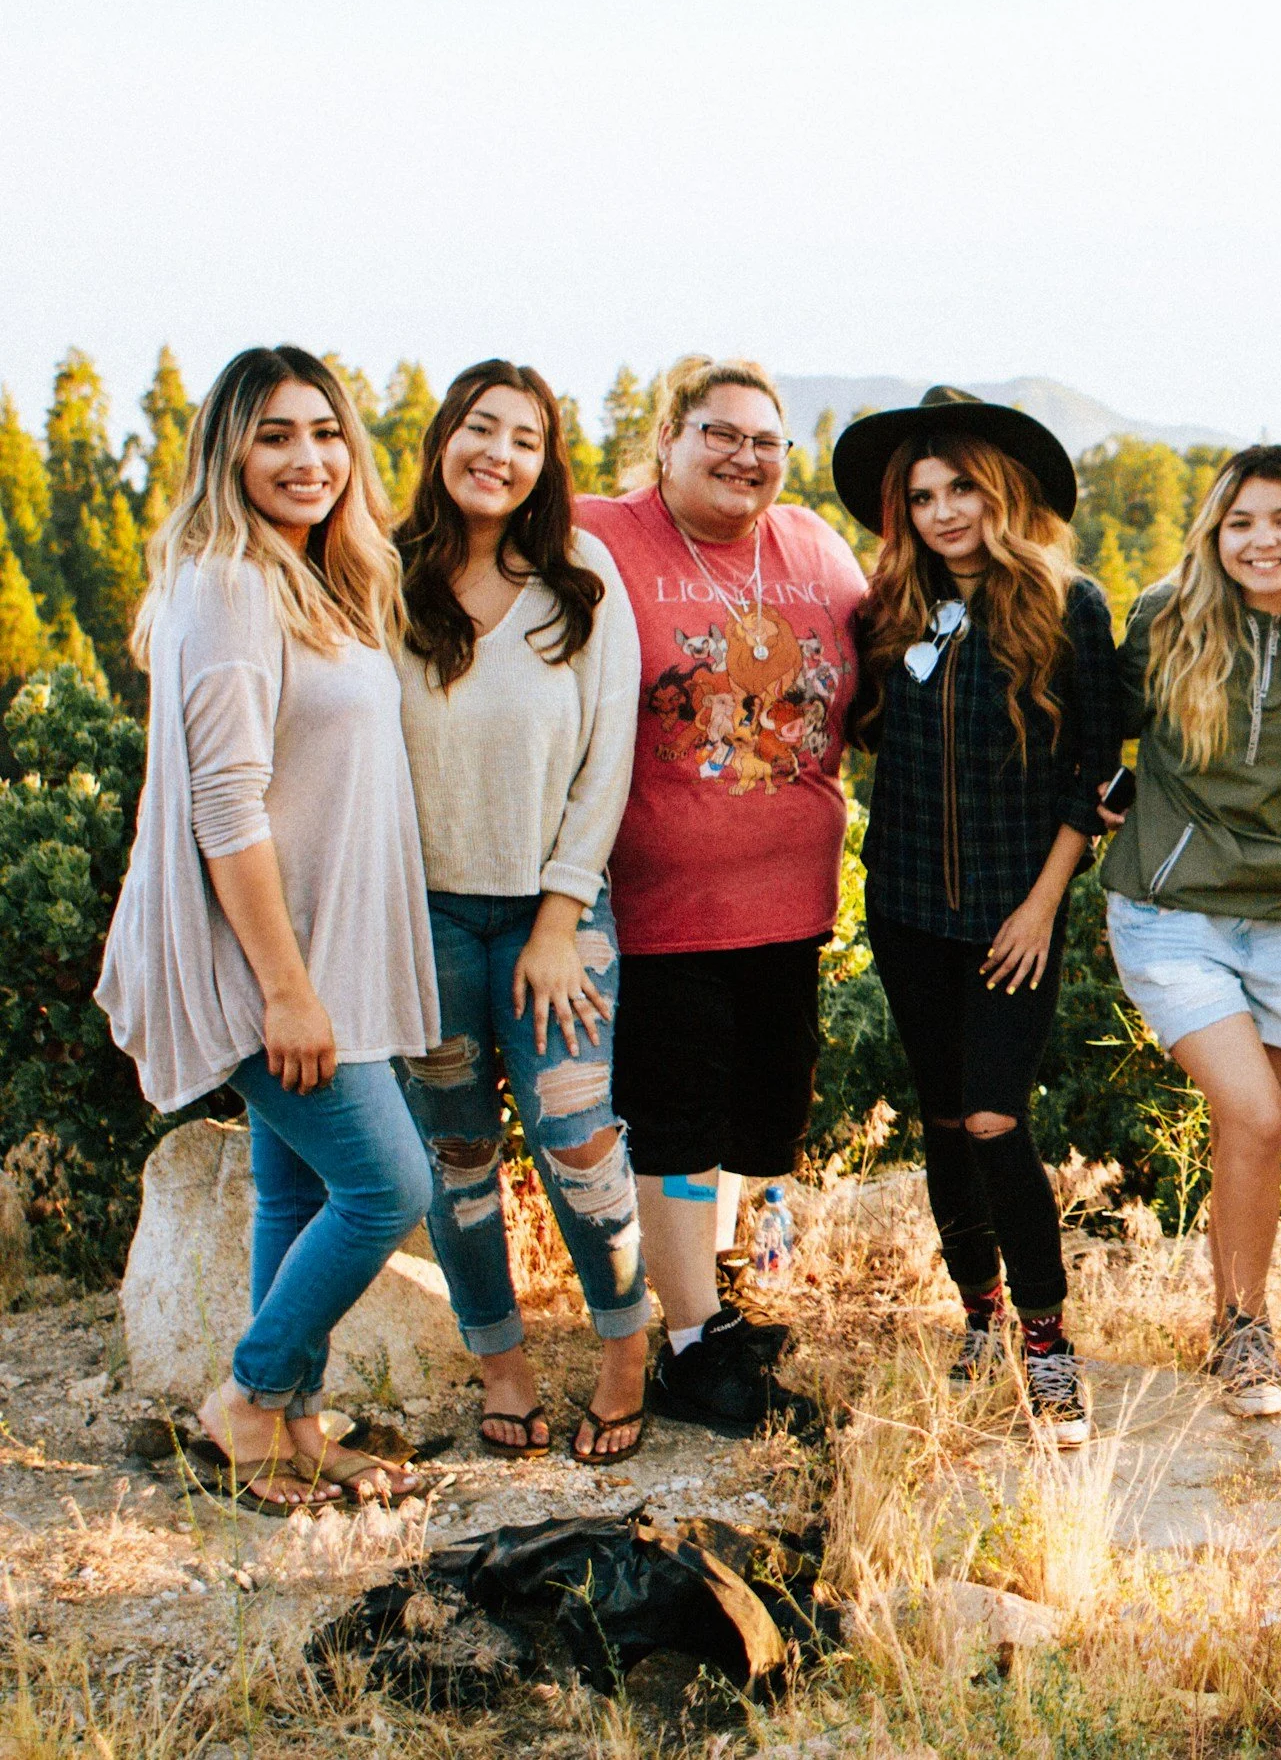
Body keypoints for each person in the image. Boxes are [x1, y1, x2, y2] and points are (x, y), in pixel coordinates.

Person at [97, 346, 436, 1511]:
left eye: (326, 432)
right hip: (272, 961)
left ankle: (287, 1426)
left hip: (321, 950)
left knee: (296, 1191)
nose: (308, 458)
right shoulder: (233, 582)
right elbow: (223, 804)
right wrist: (287, 989)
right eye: (276, 435)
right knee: (391, 1184)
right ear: (228, 451)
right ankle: (246, 1394)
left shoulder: (307, 577)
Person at [576, 356, 866, 1434]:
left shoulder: (817, 549)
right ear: (667, 437)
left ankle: (717, 1306)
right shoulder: (600, 531)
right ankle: (693, 1341)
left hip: (794, 899)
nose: (744, 455)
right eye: (719, 432)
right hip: (665, 902)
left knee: (754, 1117)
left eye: (765, 440)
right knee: (680, 1122)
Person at [835, 388, 1120, 1447]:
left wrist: (1044, 904)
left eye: (961, 487)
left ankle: (1046, 1340)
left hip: (1015, 916)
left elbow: (1095, 774)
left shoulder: (1067, 603)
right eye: (921, 494)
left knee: (998, 1116)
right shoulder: (888, 610)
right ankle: (977, 1310)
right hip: (906, 909)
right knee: (946, 1120)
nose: (944, 510)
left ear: (1000, 491)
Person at [393, 360, 649, 1464]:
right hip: (418, 921)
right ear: (444, 437)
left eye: (525, 437)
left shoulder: (580, 575)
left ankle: (624, 1353)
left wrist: (556, 919)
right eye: (478, 426)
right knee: (456, 1152)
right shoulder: (381, 577)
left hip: (558, 910)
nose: (497, 451)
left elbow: (607, 765)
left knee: (577, 1139)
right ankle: (499, 1362)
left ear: (548, 462)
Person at [1099, 445, 1281, 1417]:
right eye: (1242, 521)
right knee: (1259, 1114)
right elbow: (1099, 726)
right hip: (1170, 912)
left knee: (1246, 1132)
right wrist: (1101, 797)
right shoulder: (1167, 617)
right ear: (1215, 530)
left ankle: (1236, 1322)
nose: (1263, 540)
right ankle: (1247, 1333)